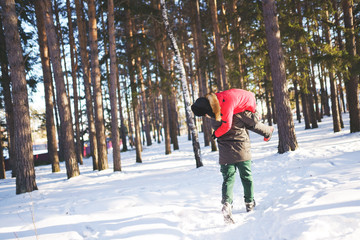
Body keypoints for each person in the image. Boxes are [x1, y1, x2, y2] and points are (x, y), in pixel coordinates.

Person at [191, 89, 274, 223]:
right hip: (242, 150)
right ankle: (249, 202)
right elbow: (254, 125)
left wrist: (215, 134)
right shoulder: (241, 115)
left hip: (225, 154)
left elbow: (227, 125)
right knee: (246, 177)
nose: (207, 116)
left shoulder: (216, 119)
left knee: (228, 179)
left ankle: (227, 204)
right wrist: (268, 132)